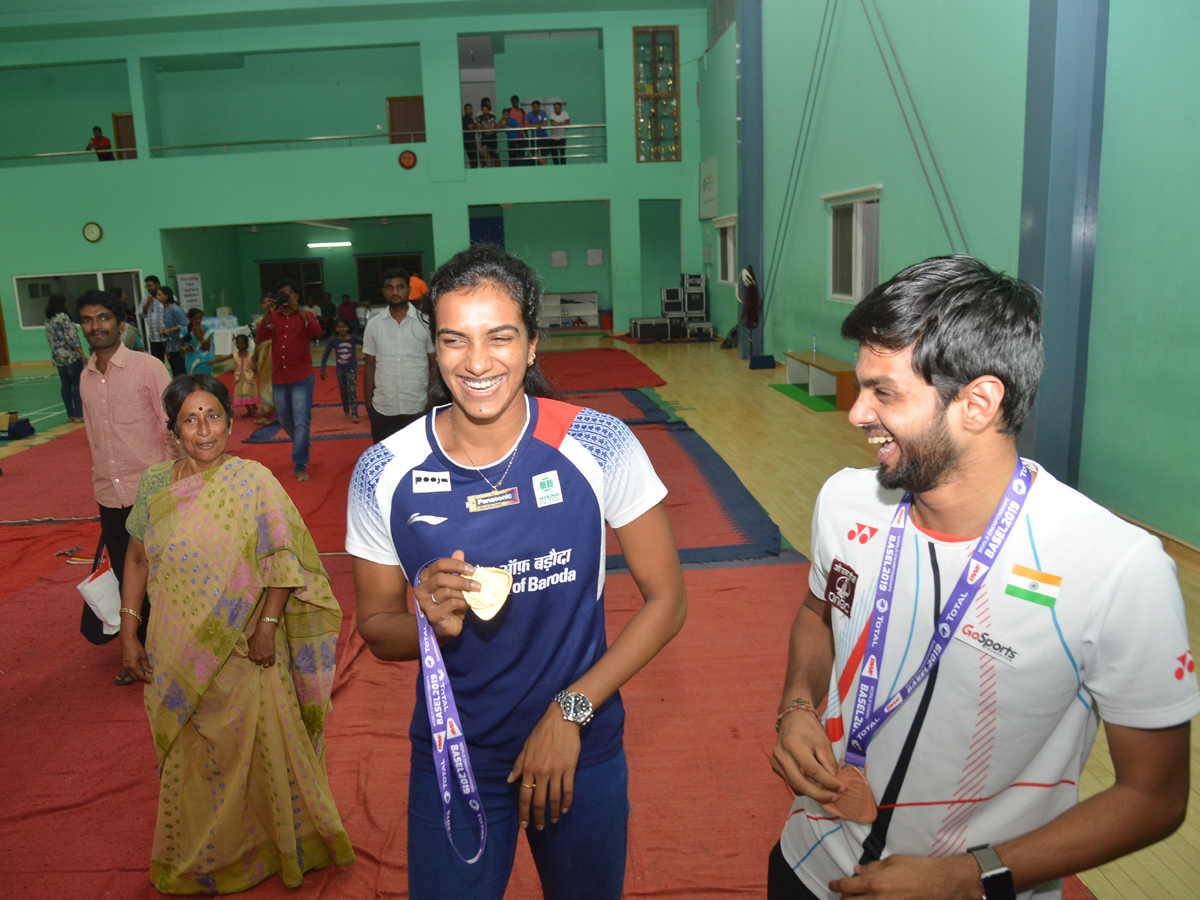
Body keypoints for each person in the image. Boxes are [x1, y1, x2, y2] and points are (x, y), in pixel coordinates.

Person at [768, 256, 1200, 900]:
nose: (857, 414)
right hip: (806, 865)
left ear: (978, 402)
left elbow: (1154, 797)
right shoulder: (844, 502)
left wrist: (973, 875)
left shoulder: (1117, 569)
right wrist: (797, 706)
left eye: (883, 392)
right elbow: (817, 613)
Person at [346, 243, 688, 900]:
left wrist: (572, 711)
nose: (476, 363)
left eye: (500, 337)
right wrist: (425, 620)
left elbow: (667, 601)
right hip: (455, 757)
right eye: (454, 341)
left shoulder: (598, 443)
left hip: (579, 749)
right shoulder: (383, 473)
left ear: (533, 346)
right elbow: (377, 626)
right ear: (434, 349)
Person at [117, 373, 354, 894]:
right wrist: (128, 629)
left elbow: (284, 561)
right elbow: (136, 557)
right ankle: (203, 852)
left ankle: (269, 845)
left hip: (243, 646)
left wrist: (268, 627)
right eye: (189, 420)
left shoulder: (254, 483)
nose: (203, 430)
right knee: (192, 754)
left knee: (253, 749)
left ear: (229, 420)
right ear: (172, 430)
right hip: (173, 645)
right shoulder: (156, 485)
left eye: (213, 416)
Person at [76, 289, 175, 683]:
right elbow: (93, 438)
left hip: (154, 494)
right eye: (87, 320)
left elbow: (172, 425)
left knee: (166, 576)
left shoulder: (147, 368)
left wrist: (181, 482)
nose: (95, 326)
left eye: (103, 318)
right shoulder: (84, 378)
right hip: (110, 498)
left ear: (121, 323)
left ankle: (176, 654)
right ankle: (143, 652)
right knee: (126, 576)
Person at [255, 280, 321, 481]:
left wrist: (298, 310)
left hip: (301, 376)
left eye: (289, 294)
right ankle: (303, 443)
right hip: (279, 377)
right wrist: (268, 312)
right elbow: (260, 337)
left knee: (301, 422)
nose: (286, 298)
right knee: (283, 419)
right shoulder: (272, 317)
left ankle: (299, 464)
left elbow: (316, 332)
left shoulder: (305, 315)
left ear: (296, 296)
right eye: (282, 295)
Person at [362, 267, 434, 444]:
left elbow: (434, 364)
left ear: (408, 290)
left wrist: (431, 402)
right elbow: (369, 366)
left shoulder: (425, 322)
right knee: (386, 465)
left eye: (400, 287)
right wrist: (369, 406)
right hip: (383, 408)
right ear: (384, 291)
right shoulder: (373, 325)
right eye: (389, 287)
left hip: (417, 406)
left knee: (417, 462)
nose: (395, 292)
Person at [43, 292, 84, 422]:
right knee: (77, 385)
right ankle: (79, 414)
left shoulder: (48, 319)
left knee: (65, 385)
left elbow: (49, 338)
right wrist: (81, 352)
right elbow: (71, 337)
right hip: (70, 356)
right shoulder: (63, 317)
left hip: (57, 357)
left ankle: (70, 415)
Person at [320, 317, 363, 422]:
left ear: (348, 328)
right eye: (339, 327)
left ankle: (355, 413)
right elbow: (326, 354)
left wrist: (367, 356)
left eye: (344, 327)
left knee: (352, 390)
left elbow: (366, 344)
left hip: (352, 369)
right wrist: (322, 368)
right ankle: (346, 411)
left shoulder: (353, 338)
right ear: (335, 329)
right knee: (343, 391)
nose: (342, 329)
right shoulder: (334, 340)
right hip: (340, 370)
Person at [252, 293, 276, 424]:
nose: (267, 305)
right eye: (264, 303)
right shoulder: (260, 320)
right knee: (265, 382)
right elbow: (258, 340)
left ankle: (281, 413)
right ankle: (268, 414)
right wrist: (254, 358)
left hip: (277, 352)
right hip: (264, 353)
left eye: (270, 302)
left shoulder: (280, 318)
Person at [155, 285, 189, 377]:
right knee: (174, 370)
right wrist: (165, 330)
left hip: (178, 344)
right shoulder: (166, 309)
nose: (157, 297)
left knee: (180, 370)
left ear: (167, 296)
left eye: (159, 295)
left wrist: (170, 330)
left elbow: (186, 325)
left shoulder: (175, 309)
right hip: (170, 345)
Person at [180, 308, 217, 374]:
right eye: (195, 319)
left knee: (204, 381)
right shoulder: (184, 330)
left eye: (200, 318)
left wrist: (199, 335)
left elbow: (208, 347)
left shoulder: (206, 329)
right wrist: (186, 348)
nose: (198, 321)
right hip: (190, 359)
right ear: (190, 318)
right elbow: (180, 346)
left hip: (204, 359)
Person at [231, 333, 259, 418]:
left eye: (242, 343)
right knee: (242, 395)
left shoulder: (251, 354)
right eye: (238, 343)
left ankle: (254, 406)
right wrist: (213, 362)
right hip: (239, 378)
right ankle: (249, 410)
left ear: (246, 344)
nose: (240, 345)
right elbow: (224, 359)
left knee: (248, 393)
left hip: (248, 378)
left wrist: (256, 368)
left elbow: (256, 362)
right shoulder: (235, 354)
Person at [142, 275, 166, 361]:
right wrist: (148, 304)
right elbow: (141, 314)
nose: (149, 288)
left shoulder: (168, 297)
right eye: (147, 286)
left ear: (157, 285)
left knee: (174, 364)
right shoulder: (146, 299)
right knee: (157, 364)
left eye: (150, 285)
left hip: (167, 338)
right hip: (154, 339)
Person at [476, 98, 499, 168]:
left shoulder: (492, 116)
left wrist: (484, 127)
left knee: (492, 154)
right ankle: (487, 164)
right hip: (484, 136)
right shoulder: (479, 117)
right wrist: (483, 126)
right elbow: (479, 127)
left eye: (486, 110)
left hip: (492, 136)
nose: (485, 111)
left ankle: (492, 167)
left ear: (488, 111)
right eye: (484, 110)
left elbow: (492, 126)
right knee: (484, 149)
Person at [526, 100, 549, 165]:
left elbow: (545, 123)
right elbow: (526, 124)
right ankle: (545, 166)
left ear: (539, 107)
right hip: (534, 138)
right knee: (534, 153)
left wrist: (537, 126)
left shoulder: (543, 113)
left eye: (537, 107)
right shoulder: (529, 114)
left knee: (544, 155)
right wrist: (534, 125)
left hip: (543, 137)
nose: (535, 108)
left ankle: (545, 169)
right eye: (534, 107)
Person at [462, 102, 479, 168]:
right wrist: (475, 125)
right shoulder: (465, 118)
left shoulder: (471, 119)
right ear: (465, 110)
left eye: (470, 109)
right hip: (468, 140)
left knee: (474, 159)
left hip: (471, 140)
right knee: (473, 158)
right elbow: (471, 128)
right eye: (468, 109)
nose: (469, 110)